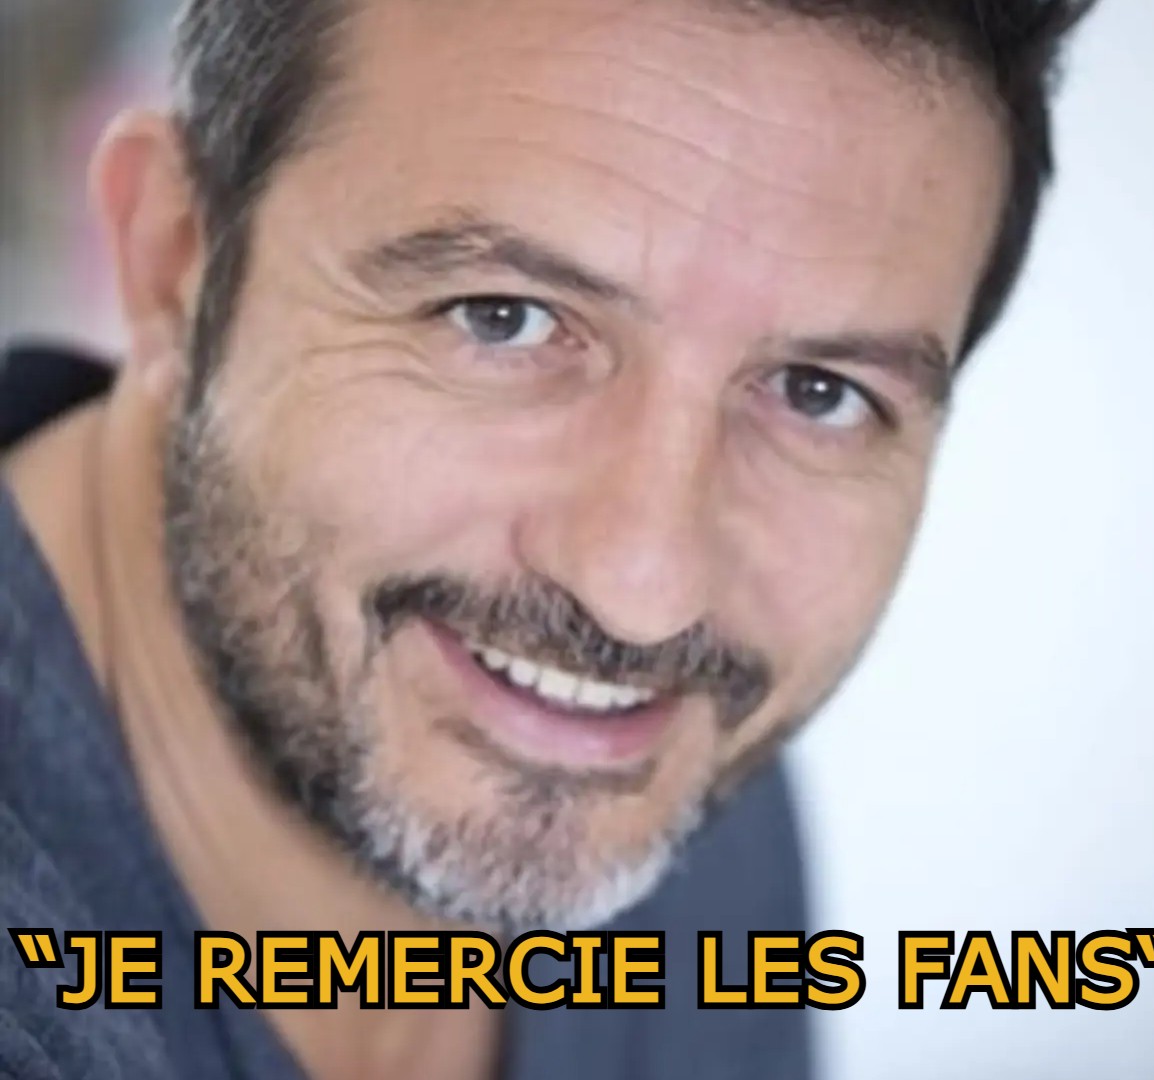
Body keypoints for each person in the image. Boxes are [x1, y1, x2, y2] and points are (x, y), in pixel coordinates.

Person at [0, 1, 1096, 1077]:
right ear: (171, 257)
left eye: (818, 392)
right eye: (503, 318)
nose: (645, 596)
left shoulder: (657, 780)